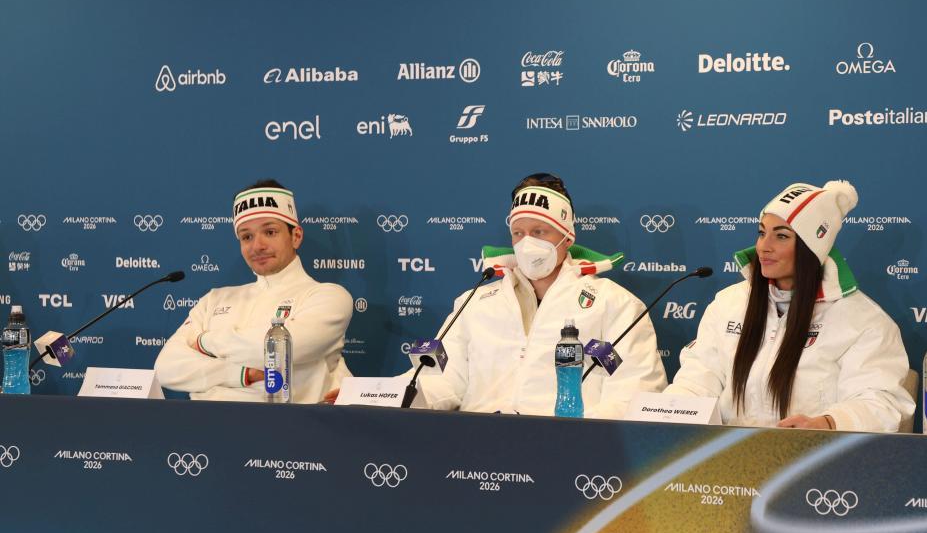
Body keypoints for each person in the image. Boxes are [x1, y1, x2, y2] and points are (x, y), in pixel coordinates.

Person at [399, 173, 667, 417]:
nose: (527, 243)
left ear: (567, 236)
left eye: (539, 232)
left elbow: (635, 392)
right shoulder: (473, 303)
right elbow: (440, 378)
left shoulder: (615, 304)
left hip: (569, 454)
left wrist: (580, 437)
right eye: (519, 233)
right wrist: (395, 396)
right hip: (475, 447)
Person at [665, 180, 914, 431]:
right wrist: (669, 413)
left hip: (814, 460)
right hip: (727, 460)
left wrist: (827, 423)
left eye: (781, 236)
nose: (764, 246)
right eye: (762, 232)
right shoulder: (728, 303)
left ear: (812, 247)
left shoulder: (863, 320)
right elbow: (698, 378)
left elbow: (880, 401)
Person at [155, 180, 353, 402]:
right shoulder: (214, 299)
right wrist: (242, 375)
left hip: (290, 431)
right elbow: (166, 367)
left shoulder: (328, 296)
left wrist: (204, 343)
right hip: (205, 429)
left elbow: (284, 349)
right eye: (246, 236)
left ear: (296, 236)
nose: (257, 246)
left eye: (269, 232)